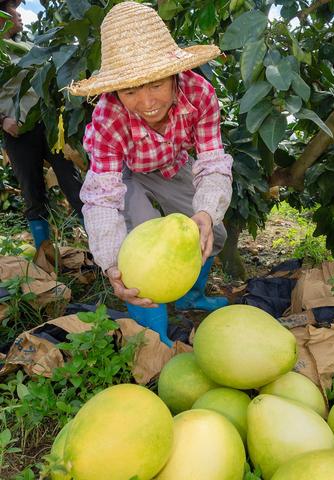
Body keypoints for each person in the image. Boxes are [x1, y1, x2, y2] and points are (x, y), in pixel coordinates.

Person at [69, 1, 233, 346]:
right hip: (126, 173)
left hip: (172, 164)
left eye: (156, 84)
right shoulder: (107, 118)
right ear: (116, 91)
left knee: (210, 232)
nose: (147, 102)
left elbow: (212, 162)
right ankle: (153, 337)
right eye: (131, 91)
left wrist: (205, 211)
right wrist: (112, 263)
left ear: (175, 73)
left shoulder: (200, 94)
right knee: (137, 254)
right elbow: (102, 196)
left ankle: (190, 297)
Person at [0, 0, 83, 248]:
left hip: (49, 125)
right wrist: (3, 120)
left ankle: (103, 252)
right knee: (32, 194)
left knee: (74, 183)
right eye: (15, 13)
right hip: (18, 132)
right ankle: (44, 255)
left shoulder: (28, 45)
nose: (21, 17)